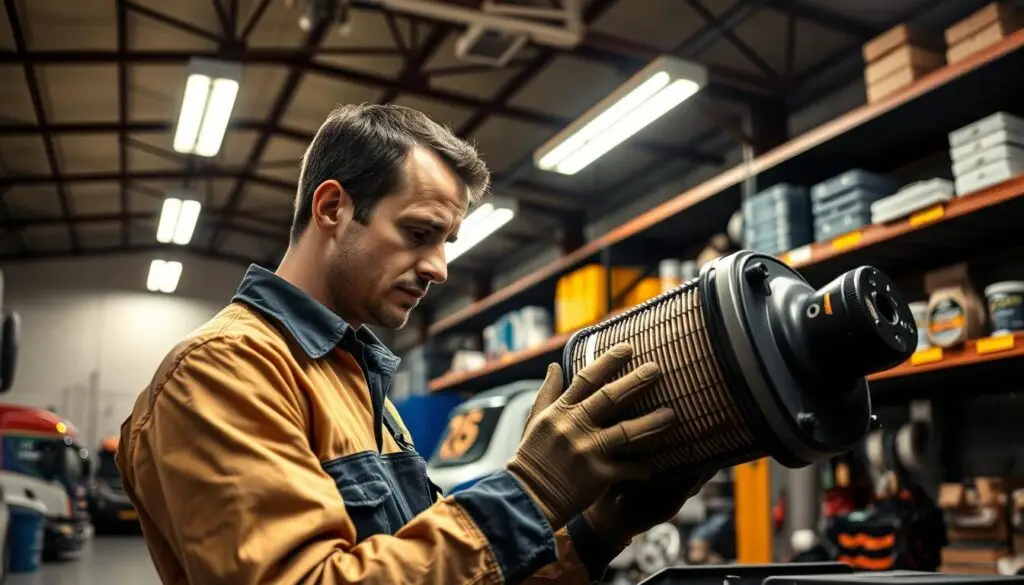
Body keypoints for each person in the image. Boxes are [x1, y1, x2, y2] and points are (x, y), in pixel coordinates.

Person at [116, 103, 707, 585]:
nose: (439, 268)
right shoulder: (223, 371)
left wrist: (598, 529)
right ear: (332, 208)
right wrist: (531, 489)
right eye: (419, 233)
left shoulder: (357, 382)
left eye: (447, 240)